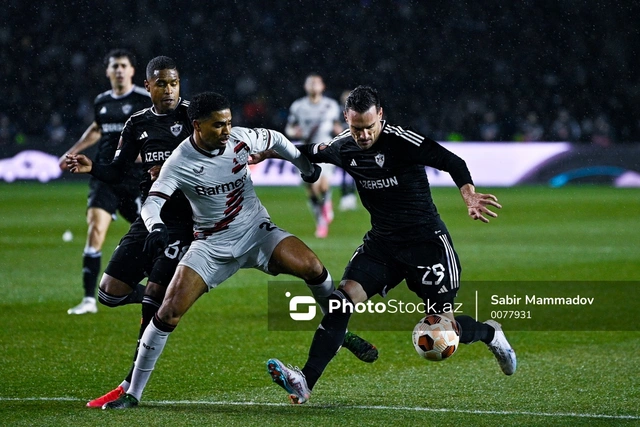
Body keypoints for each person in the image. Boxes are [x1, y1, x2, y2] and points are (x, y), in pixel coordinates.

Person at [102, 91, 377, 409]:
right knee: (167, 312)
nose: (226, 130)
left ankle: (335, 329)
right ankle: (132, 394)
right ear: (197, 126)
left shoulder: (240, 139)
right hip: (211, 245)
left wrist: (306, 168)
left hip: (258, 233)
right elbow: (152, 202)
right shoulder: (180, 161)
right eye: (218, 125)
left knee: (314, 267)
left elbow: (275, 139)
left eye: (229, 122)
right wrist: (157, 227)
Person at [265, 86, 516, 405]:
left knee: (443, 327)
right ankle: (305, 381)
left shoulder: (402, 141)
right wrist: (267, 150)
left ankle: (490, 334)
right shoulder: (344, 146)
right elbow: (310, 151)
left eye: (370, 126)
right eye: (356, 128)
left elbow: (451, 160)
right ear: (347, 119)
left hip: (427, 245)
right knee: (340, 303)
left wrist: (468, 195)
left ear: (380, 116)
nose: (364, 135)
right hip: (382, 245)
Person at [65, 56, 195, 407]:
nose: (169, 90)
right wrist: (93, 167)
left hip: (186, 223)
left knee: (153, 296)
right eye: (162, 84)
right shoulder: (136, 123)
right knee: (109, 292)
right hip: (149, 215)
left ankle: (130, 386)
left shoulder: (193, 116)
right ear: (149, 87)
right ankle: (166, 300)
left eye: (174, 83)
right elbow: (117, 168)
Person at [61, 49, 150, 315]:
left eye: (124, 66)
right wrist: (72, 152)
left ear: (132, 71)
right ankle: (89, 299)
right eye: (115, 66)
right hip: (104, 176)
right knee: (95, 230)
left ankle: (152, 288)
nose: (119, 70)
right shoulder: (102, 101)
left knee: (149, 234)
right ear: (108, 72)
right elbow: (97, 129)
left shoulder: (143, 100)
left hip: (135, 179)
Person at [285, 73, 344, 238]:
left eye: (316, 83)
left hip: (326, 149)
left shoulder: (331, 105)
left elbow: (338, 125)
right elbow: (289, 128)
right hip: (305, 150)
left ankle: (323, 217)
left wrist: (339, 131)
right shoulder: (298, 106)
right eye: (310, 83)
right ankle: (320, 219)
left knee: (322, 186)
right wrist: (294, 132)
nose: (313, 86)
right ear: (305, 87)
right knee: (311, 189)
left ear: (322, 86)